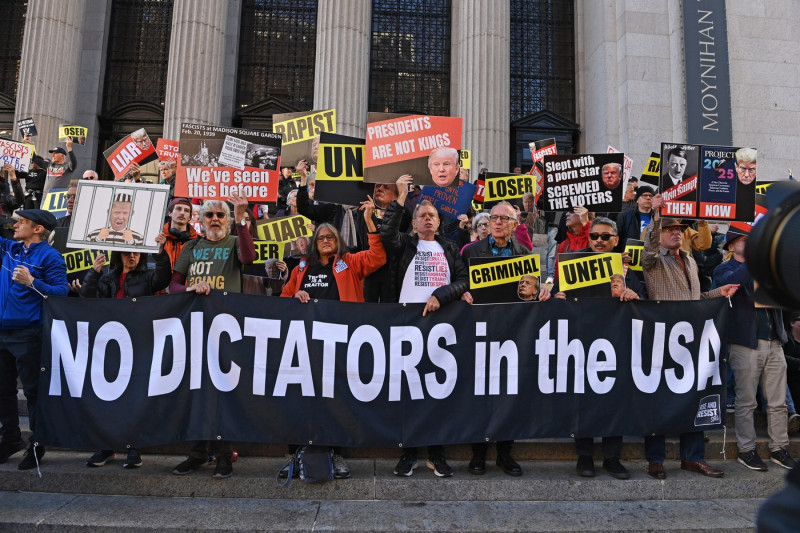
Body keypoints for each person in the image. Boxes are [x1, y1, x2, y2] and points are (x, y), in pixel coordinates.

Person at [281, 198, 386, 480]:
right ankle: (298, 455)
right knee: (304, 399)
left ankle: (336, 455)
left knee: (336, 400)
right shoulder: (301, 269)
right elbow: (283, 300)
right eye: (321, 238)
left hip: (341, 345)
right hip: (307, 346)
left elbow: (378, 257)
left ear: (338, 241)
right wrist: (295, 296)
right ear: (314, 243)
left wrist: (369, 221)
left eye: (330, 237)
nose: (325, 240)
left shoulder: (350, 263)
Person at [640, 194, 739, 480]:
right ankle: (655, 459)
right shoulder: (653, 261)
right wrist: (657, 216)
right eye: (669, 229)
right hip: (663, 339)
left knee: (696, 399)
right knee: (658, 399)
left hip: (693, 341)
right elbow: (649, 247)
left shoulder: (691, 261)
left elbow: (694, 298)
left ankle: (692, 458)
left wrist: (717, 294)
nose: (675, 232)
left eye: (678, 229)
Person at [381, 177, 468, 478]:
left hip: (442, 328)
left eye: (432, 215)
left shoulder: (450, 247)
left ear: (438, 222)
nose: (427, 218)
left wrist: (440, 296)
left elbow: (462, 281)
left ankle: (437, 454)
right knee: (409, 392)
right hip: (406, 326)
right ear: (415, 224)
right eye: (421, 215)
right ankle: (409, 454)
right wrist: (400, 198)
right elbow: (387, 232)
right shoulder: (405, 244)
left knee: (438, 393)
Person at [168, 194, 256, 478]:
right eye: (209, 215)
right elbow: (173, 286)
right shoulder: (192, 246)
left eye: (221, 215)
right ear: (201, 221)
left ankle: (223, 456)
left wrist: (242, 220)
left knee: (221, 392)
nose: (215, 219)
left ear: (227, 220)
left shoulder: (233, 242)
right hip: (194, 327)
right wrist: (191, 290)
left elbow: (249, 257)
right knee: (194, 392)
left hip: (226, 328)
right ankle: (196, 453)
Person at [461, 201, 551, 476]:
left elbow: (531, 292)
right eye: (494, 218)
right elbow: (460, 279)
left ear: (515, 224)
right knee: (479, 394)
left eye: (504, 218)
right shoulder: (472, 251)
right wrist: (462, 291)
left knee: (509, 394)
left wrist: (544, 291)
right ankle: (478, 453)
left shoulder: (524, 253)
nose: (497, 222)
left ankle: (504, 453)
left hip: (512, 336)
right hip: (478, 331)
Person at [79, 234, 171, 469]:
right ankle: (106, 447)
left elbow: (163, 279)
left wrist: (160, 255)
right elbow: (87, 298)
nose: (132, 256)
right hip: (110, 346)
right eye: (128, 252)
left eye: (136, 253)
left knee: (133, 399)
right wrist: (93, 274)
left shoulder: (148, 277)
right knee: (107, 399)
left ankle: (133, 448)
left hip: (139, 345)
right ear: (119, 255)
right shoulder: (108, 278)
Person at [712, 230, 796, 471]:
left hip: (774, 342)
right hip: (745, 344)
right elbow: (734, 282)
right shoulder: (723, 269)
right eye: (745, 241)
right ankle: (746, 450)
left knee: (778, 403)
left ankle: (780, 447)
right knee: (746, 402)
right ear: (730, 246)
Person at [0, 209, 69, 470]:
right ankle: (10, 439)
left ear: (38, 229)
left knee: (32, 392)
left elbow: (61, 292)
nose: (15, 225)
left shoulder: (51, 257)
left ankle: (37, 445)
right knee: (2, 390)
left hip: (29, 334)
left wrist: (32, 282)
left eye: (22, 222)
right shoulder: (11, 249)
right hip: (2, 331)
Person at [161, 197, 199, 270]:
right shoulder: (159, 238)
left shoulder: (198, 242)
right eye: (178, 209)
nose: (182, 213)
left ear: (190, 217)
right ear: (170, 213)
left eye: (186, 210)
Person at [615, 187, 654, 253]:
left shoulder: (658, 217)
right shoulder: (625, 216)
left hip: (652, 256)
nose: (648, 198)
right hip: (630, 257)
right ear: (637, 200)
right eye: (644, 195)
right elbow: (617, 238)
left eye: (651, 196)